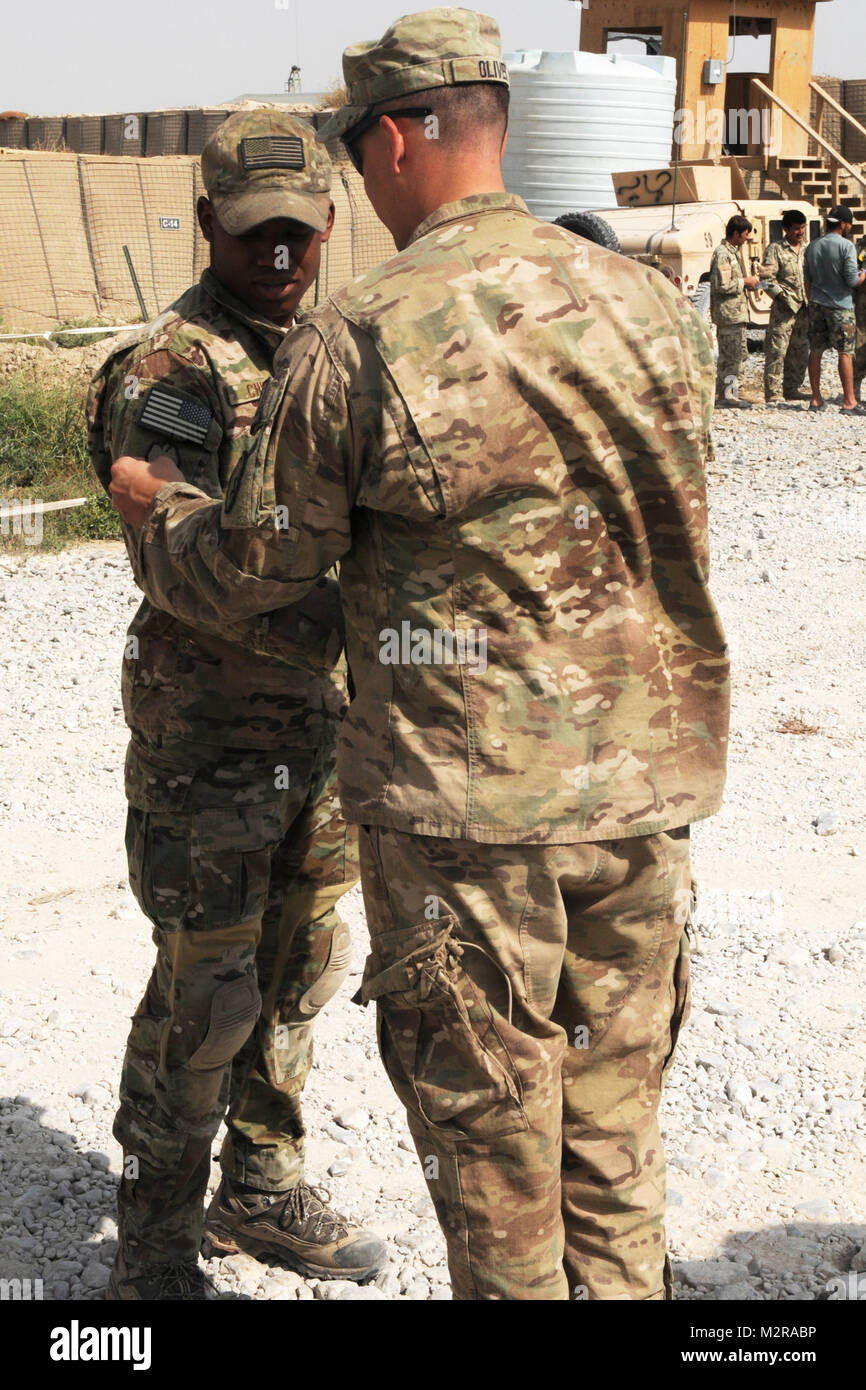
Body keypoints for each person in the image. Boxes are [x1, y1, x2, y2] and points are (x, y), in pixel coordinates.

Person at [107, 7, 730, 1301]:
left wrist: (153, 507)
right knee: (613, 1155)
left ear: (391, 142)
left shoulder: (371, 328)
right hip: (638, 807)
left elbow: (253, 569)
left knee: (499, 1170)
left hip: (471, 817)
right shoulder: (649, 304)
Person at [87, 109, 385, 1300]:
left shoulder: (342, 350)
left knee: (300, 963)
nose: (279, 256)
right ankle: (154, 1244)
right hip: (211, 738)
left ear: (330, 224)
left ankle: (258, 1187)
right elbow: (192, 568)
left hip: (323, 731)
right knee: (204, 990)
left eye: (299, 234)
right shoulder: (171, 370)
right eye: (255, 233)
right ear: (208, 220)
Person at [803, 204, 866, 413]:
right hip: (840, 306)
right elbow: (852, 281)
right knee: (845, 353)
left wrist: (812, 300)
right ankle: (849, 401)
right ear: (843, 224)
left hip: (816, 304)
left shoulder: (812, 246)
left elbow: (807, 280)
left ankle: (815, 399)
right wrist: (864, 272)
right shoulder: (846, 246)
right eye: (848, 224)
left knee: (816, 351)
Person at [710, 214, 760, 409]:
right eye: (744, 236)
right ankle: (729, 395)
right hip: (729, 315)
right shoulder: (723, 254)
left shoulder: (732, 252)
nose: (746, 241)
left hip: (735, 314)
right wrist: (745, 282)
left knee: (734, 355)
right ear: (736, 233)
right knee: (733, 357)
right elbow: (721, 285)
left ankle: (727, 392)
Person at [761, 209, 809, 406]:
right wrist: (782, 297)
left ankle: (792, 388)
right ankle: (772, 391)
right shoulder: (775, 249)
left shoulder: (807, 250)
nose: (800, 232)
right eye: (796, 228)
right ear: (786, 229)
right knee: (777, 350)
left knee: (800, 350)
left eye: (803, 228)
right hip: (784, 309)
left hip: (804, 309)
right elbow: (765, 281)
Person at [852, 235, 866, 403]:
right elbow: (854, 270)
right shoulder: (862, 246)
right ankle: (854, 391)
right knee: (861, 343)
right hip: (863, 301)